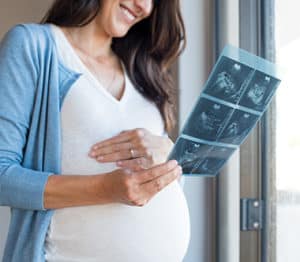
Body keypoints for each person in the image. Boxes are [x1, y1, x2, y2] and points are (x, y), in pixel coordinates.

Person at [0, 0, 190, 261]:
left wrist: (170, 157)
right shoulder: (35, 46)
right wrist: (105, 188)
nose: (144, 6)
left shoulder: (143, 72)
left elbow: (167, 184)